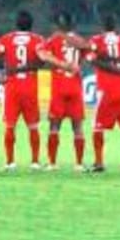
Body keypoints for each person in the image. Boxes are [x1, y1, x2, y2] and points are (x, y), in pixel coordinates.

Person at [79, 14, 120, 172]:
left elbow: (91, 59)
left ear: (102, 26)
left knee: (98, 127)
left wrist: (110, 65)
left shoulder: (96, 40)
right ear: (116, 26)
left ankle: (99, 162)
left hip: (106, 90)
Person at [0, 10, 43, 171]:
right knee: (33, 126)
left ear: (16, 24)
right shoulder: (38, 39)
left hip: (12, 85)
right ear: (31, 25)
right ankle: (35, 162)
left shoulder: (6, 39)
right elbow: (43, 57)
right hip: (30, 85)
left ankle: (10, 163)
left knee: (10, 125)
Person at [37, 12, 88, 170]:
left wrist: (60, 64)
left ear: (59, 25)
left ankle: (52, 163)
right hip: (75, 85)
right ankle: (79, 164)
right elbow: (87, 53)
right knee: (77, 126)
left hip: (59, 85)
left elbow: (42, 54)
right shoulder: (79, 40)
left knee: (54, 125)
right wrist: (77, 64)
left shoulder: (54, 39)